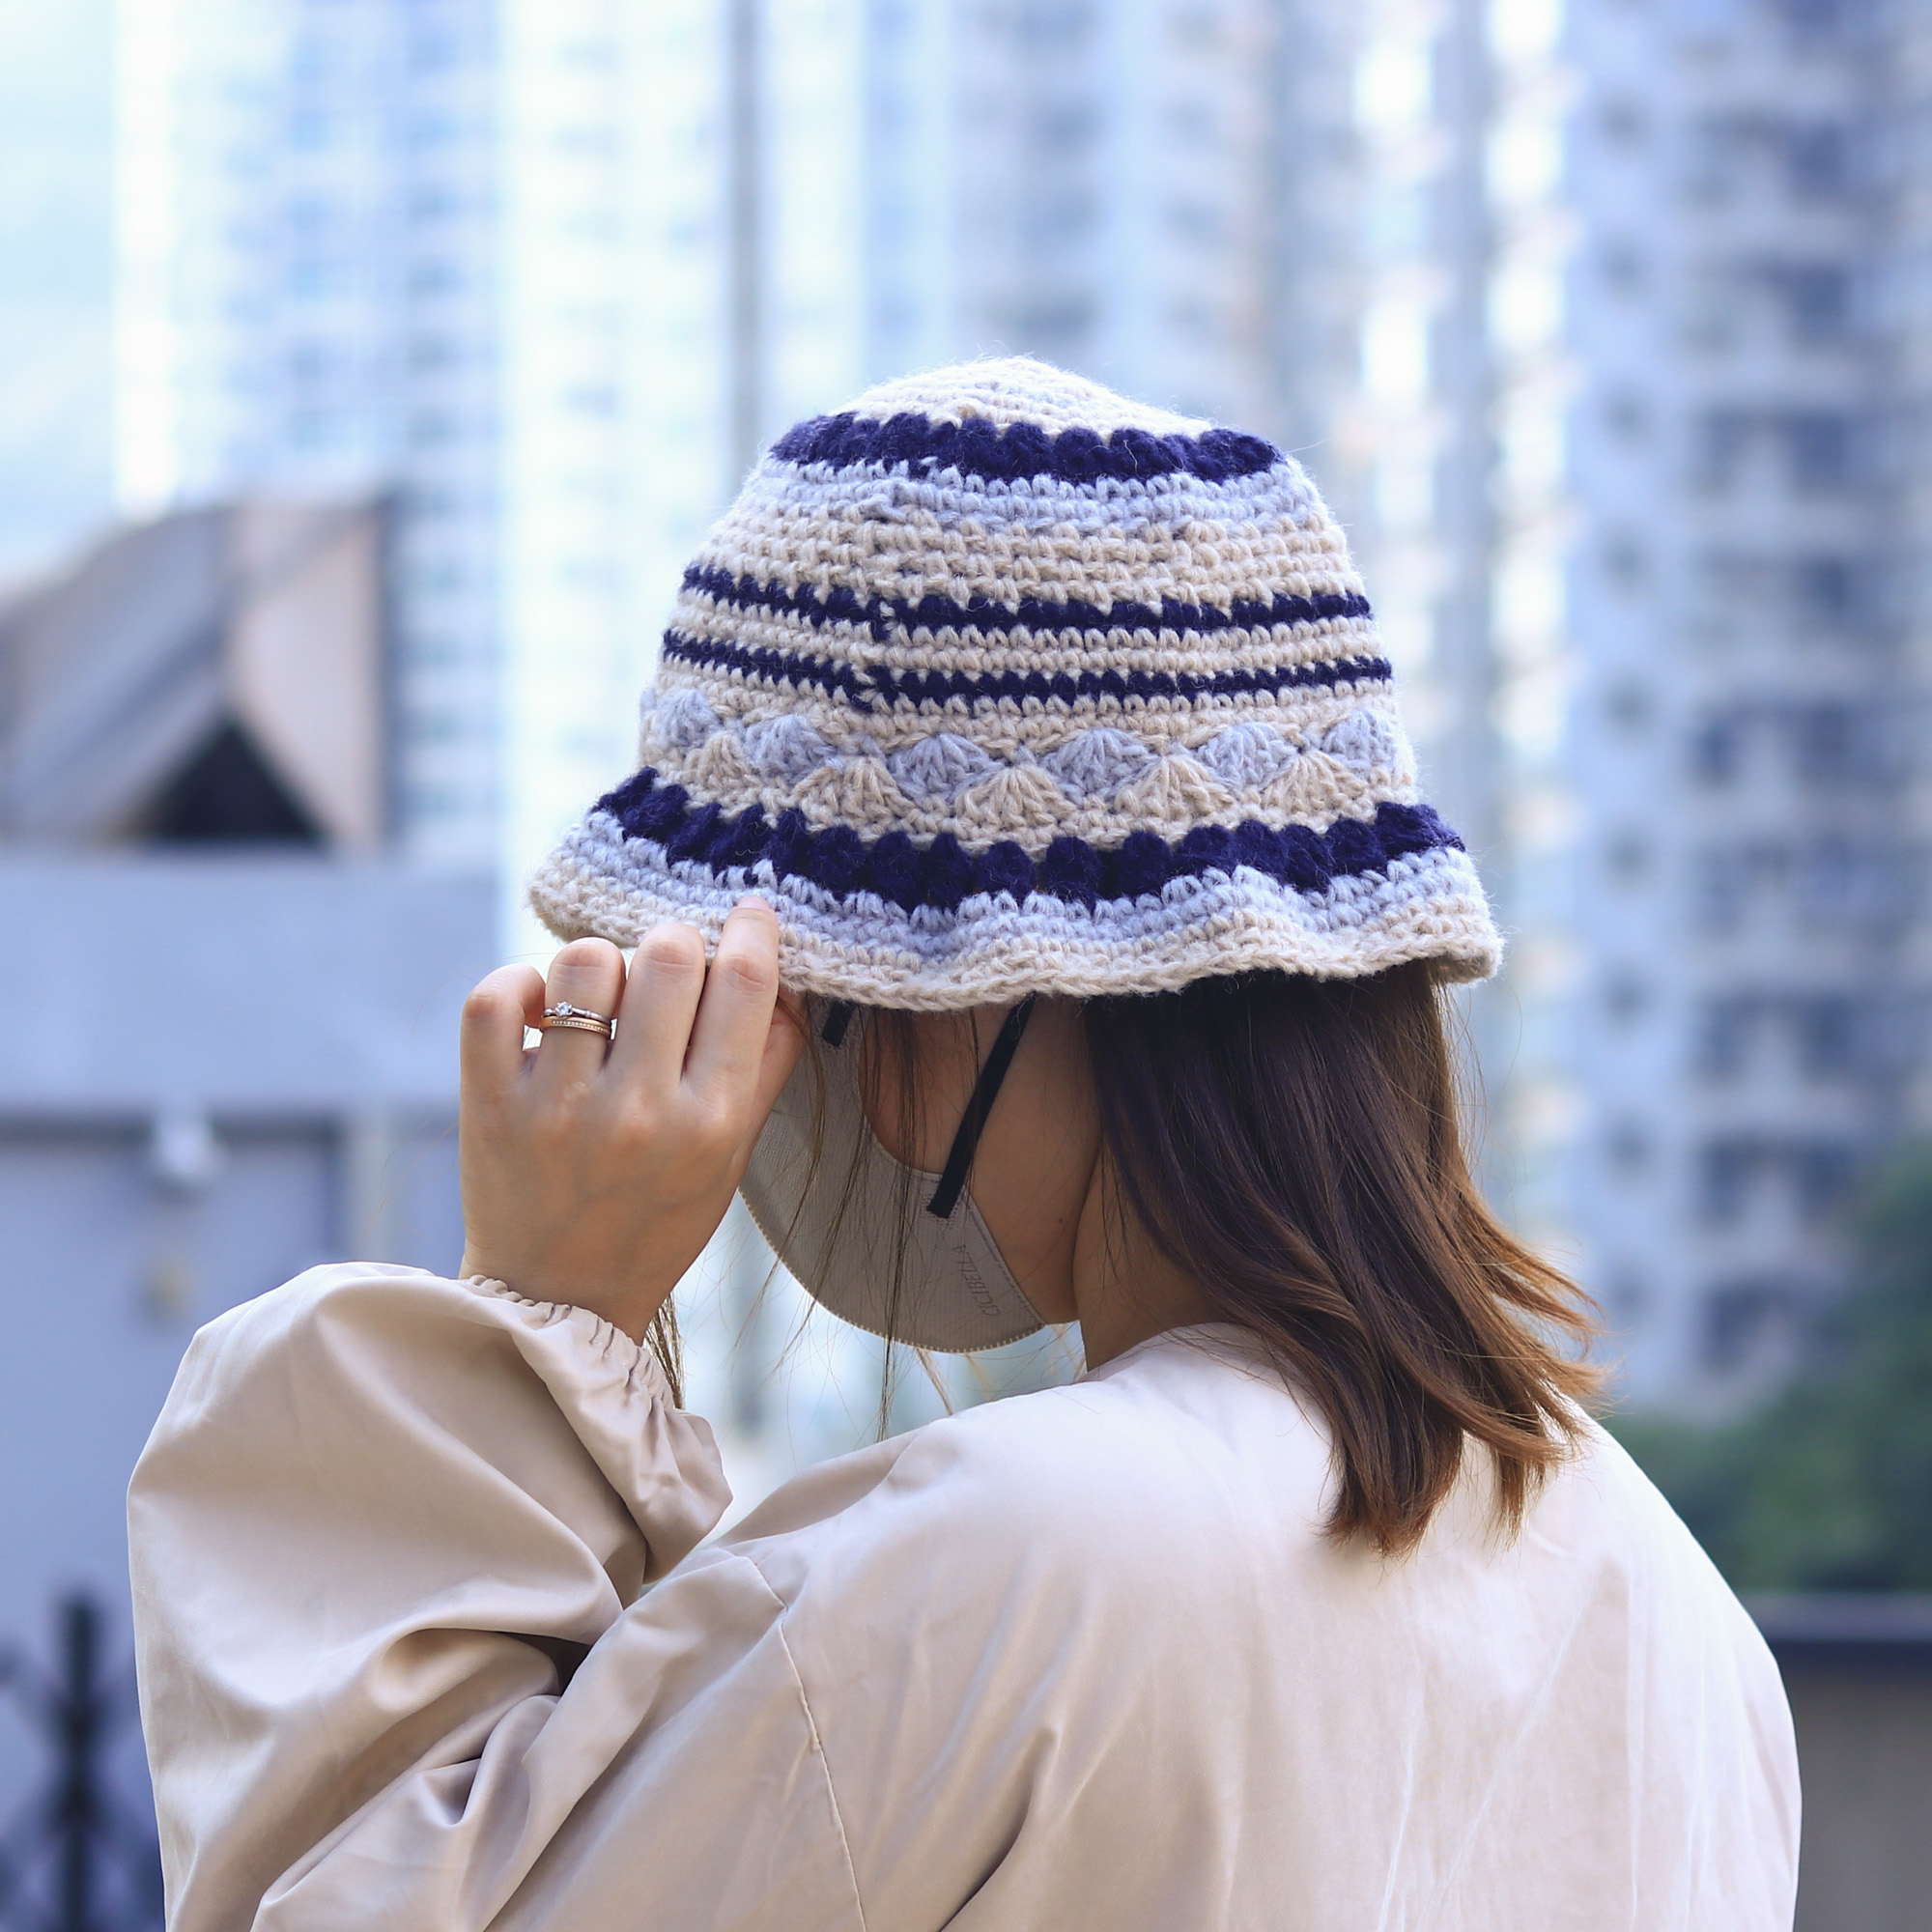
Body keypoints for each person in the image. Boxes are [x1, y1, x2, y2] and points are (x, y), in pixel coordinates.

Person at [129, 360, 1799, 1931]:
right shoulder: (1673, 1616)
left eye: (778, 1003)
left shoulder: (993, 1564)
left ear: (980, 988)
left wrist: (538, 1323)